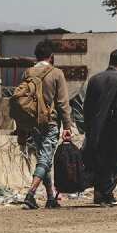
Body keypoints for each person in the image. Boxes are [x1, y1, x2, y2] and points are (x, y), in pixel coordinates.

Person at [19, 39, 74, 210]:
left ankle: (50, 197)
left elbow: (21, 100)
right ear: (51, 56)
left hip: (32, 122)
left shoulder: (28, 72)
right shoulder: (56, 73)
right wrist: (67, 125)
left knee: (44, 157)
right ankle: (31, 193)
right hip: (50, 121)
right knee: (45, 157)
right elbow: (63, 102)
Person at [81, 49, 117, 206]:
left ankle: (99, 193)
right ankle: (107, 193)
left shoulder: (94, 79)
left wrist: (88, 128)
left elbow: (87, 107)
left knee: (100, 160)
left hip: (97, 129)